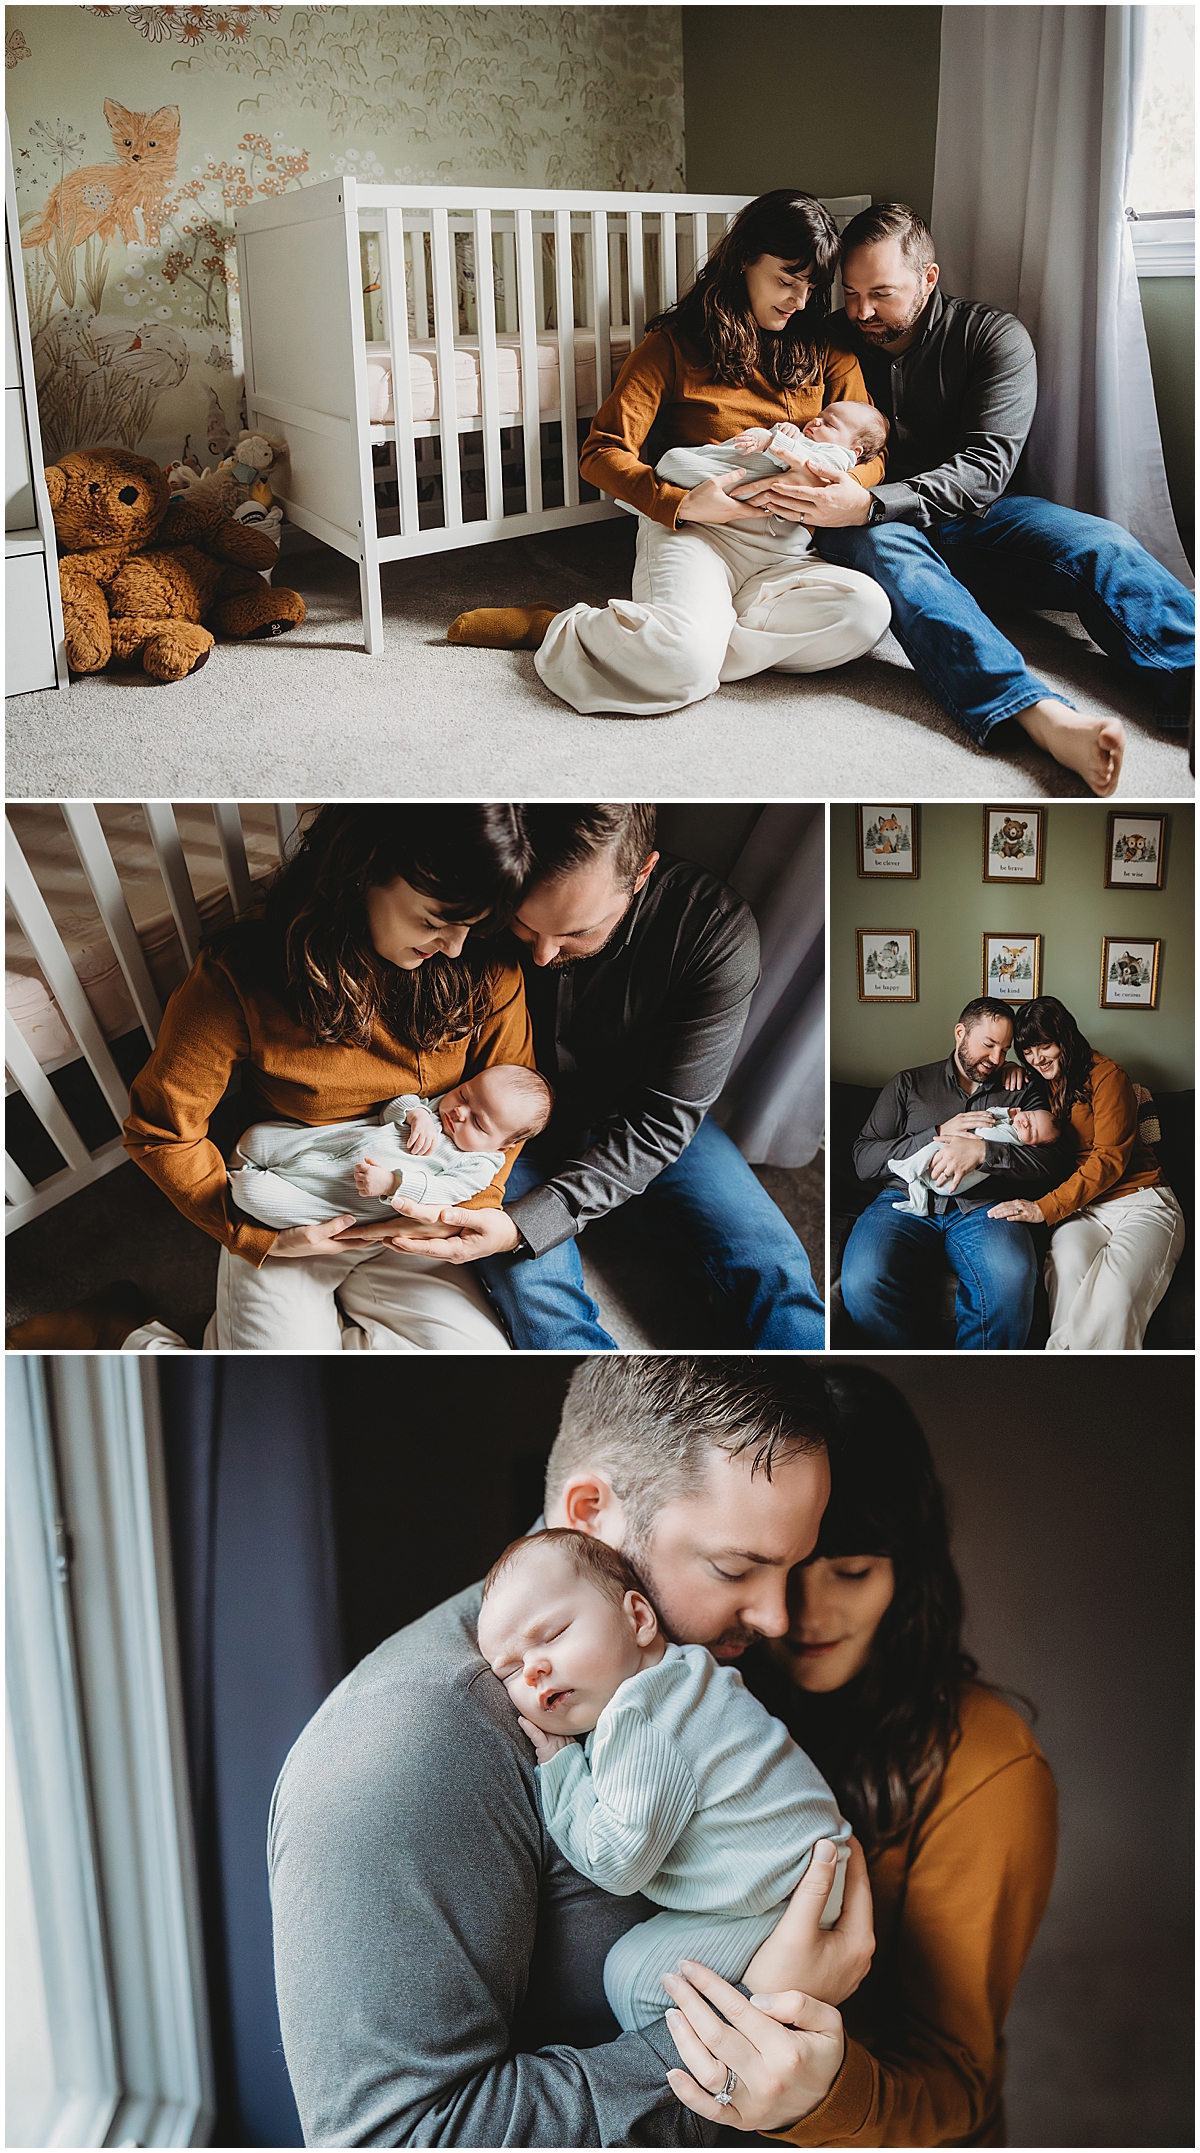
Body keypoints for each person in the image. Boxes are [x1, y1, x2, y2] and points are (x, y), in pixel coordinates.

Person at [268, 1356, 876, 2147]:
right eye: (736, 1567)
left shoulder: (684, 1666)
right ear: (592, 1509)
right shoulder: (403, 1750)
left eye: (789, 1567)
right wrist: (743, 2028)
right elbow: (397, 2137)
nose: (776, 1617)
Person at [657, 1365, 1059, 2143]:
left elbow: (955, 2078)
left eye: (853, 1571)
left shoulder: (989, 1766)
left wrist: (818, 2095)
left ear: (909, 1572)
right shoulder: (704, 1689)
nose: (802, 1613)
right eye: (779, 1570)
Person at [734, 201, 1195, 798]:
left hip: (976, 517)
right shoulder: (824, 342)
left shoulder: (994, 338)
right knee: (887, 551)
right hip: (868, 528)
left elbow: (986, 469)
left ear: (929, 278)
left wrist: (874, 503)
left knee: (1099, 543)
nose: (862, 311)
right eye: (849, 293)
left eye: (882, 293)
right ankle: (1034, 712)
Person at [347, 803, 827, 1348]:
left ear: (641, 874)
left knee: (777, 1267)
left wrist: (550, 1212)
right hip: (493, 1134)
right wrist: (520, 1229)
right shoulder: (487, 889)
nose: (545, 954)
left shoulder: (714, 932)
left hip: (638, 1118)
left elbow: (666, 1122)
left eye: (575, 932)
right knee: (546, 1312)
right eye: (525, 927)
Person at [446, 190, 892, 712]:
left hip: (781, 548)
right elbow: (601, 451)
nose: (798, 301)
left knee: (866, 613)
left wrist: (828, 486)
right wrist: (681, 503)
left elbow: (871, 457)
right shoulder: (674, 345)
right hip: (698, 534)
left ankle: (680, 639)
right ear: (745, 260)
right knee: (681, 662)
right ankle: (561, 626)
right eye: (786, 281)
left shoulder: (827, 352)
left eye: (811, 287)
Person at [117, 804, 536, 1352]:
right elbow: (161, 1130)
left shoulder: (484, 965)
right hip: (298, 1192)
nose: (453, 946)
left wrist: (464, 1209)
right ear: (363, 871)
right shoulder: (240, 974)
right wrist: (254, 1235)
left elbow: (510, 1115)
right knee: (268, 1383)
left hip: (407, 1209)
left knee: (476, 1360)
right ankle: (124, 1332)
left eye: (470, 927)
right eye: (434, 922)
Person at [476, 1526, 851, 2032]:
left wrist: (563, 1771)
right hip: (802, 1871)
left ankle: (728, 2083)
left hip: (784, 1896)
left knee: (636, 1979)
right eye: (510, 1670)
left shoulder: (641, 1718)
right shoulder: (688, 1673)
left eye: (554, 1635)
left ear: (637, 1618)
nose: (536, 1668)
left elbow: (616, 1863)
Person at [839, 996, 1072, 1349]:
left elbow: (1055, 1163)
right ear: (960, 1033)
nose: (996, 1059)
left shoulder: (1021, 1089)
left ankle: (978, 1381)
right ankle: (922, 1371)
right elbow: (863, 1158)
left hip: (985, 1208)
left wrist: (984, 1152)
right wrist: (935, 1134)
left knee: (1011, 1280)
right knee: (862, 1281)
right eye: (988, 1044)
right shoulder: (908, 1084)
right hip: (904, 1200)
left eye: (1005, 1049)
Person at [987, 994, 1186, 1349]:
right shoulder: (1039, 1083)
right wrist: (1011, 1070)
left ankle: (1064, 1381)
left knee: (1116, 1297)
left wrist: (1043, 1208)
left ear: (1064, 1037)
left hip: (1142, 1202)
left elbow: (1108, 1160)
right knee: (1064, 1267)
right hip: (1087, 1210)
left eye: (1044, 1046)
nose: (1037, 1059)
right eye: (1028, 1052)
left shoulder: (1108, 1075)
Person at [226, 1065, 553, 1228]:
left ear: (503, 1147)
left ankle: (242, 1185)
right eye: (465, 1094)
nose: (459, 1112)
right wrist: (416, 1112)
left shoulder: (477, 1167)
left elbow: (441, 1194)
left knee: (251, 1194)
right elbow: (392, 1108)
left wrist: (395, 1183)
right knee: (257, 1137)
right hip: (326, 1142)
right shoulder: (439, 1111)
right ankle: (237, 1161)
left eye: (478, 1122)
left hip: (331, 1197)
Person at [889, 1099, 1060, 1215]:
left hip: (953, 1178)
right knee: (921, 1179)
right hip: (945, 1180)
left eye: (1032, 1130)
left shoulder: (1012, 1140)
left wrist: (1002, 1115)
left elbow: (987, 1121)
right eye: (1029, 1116)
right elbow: (990, 1115)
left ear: (1033, 1145)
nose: (1026, 1123)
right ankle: (919, 1205)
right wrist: (1007, 1113)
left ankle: (908, 1168)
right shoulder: (1010, 1127)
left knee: (934, 1146)